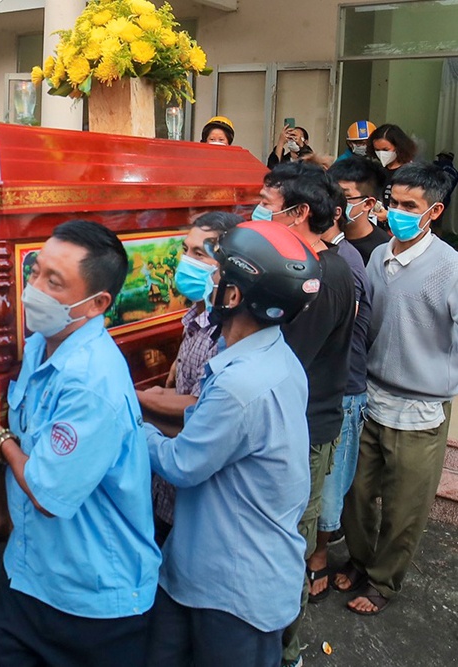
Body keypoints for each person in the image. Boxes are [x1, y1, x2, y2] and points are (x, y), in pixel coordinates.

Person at [0, 220, 160, 667]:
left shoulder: (91, 382)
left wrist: (1, 444)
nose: (33, 290)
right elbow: (31, 437)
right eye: (35, 271)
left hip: (92, 598)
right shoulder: (41, 345)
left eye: (54, 282)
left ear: (98, 303)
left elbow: (47, 492)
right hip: (29, 572)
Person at [145, 221, 321, 667]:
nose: (208, 279)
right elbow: (214, 434)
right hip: (201, 567)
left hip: (234, 588)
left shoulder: (239, 384)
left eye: (216, 272)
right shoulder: (275, 357)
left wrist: (132, 424)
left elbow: (183, 464)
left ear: (234, 294)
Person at [336, 163, 458, 615]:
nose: (398, 212)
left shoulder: (449, 268)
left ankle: (383, 581)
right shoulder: (378, 256)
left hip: (420, 406)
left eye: (410, 206)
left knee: (405, 505)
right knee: (356, 492)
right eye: (394, 202)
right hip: (370, 394)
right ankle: (360, 559)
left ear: (434, 212)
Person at [252, 162, 355, 667]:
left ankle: (283, 651)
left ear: (297, 213)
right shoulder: (298, 265)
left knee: (288, 542)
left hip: (306, 432)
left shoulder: (323, 276)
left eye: (265, 205)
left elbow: (286, 361)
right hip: (285, 423)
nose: (257, 213)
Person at [136, 211, 242, 545]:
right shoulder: (197, 313)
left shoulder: (227, 332)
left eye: (199, 254)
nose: (186, 261)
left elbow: (198, 408)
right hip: (166, 485)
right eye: (185, 250)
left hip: (192, 487)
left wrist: (134, 400)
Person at [305, 187, 372, 605]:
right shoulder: (317, 257)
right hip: (320, 386)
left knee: (328, 487)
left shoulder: (342, 263)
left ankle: (319, 556)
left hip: (342, 389)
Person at [327, 157, 391, 265]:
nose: (333, 201)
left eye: (343, 196)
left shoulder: (382, 250)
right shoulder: (317, 237)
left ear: (368, 204)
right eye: (329, 193)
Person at [369, 124, 417, 226]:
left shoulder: (411, 173)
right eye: (377, 150)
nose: (381, 154)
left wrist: (388, 216)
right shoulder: (377, 170)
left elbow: (415, 209)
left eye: (385, 150)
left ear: (398, 147)